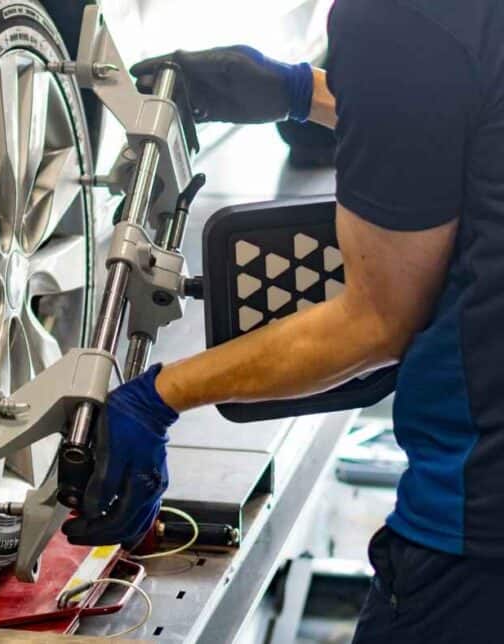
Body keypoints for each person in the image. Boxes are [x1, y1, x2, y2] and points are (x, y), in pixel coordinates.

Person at [63, 1, 504, 642]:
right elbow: (461, 108)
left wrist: (158, 397)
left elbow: (378, 322)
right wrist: (302, 92)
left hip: (481, 542)